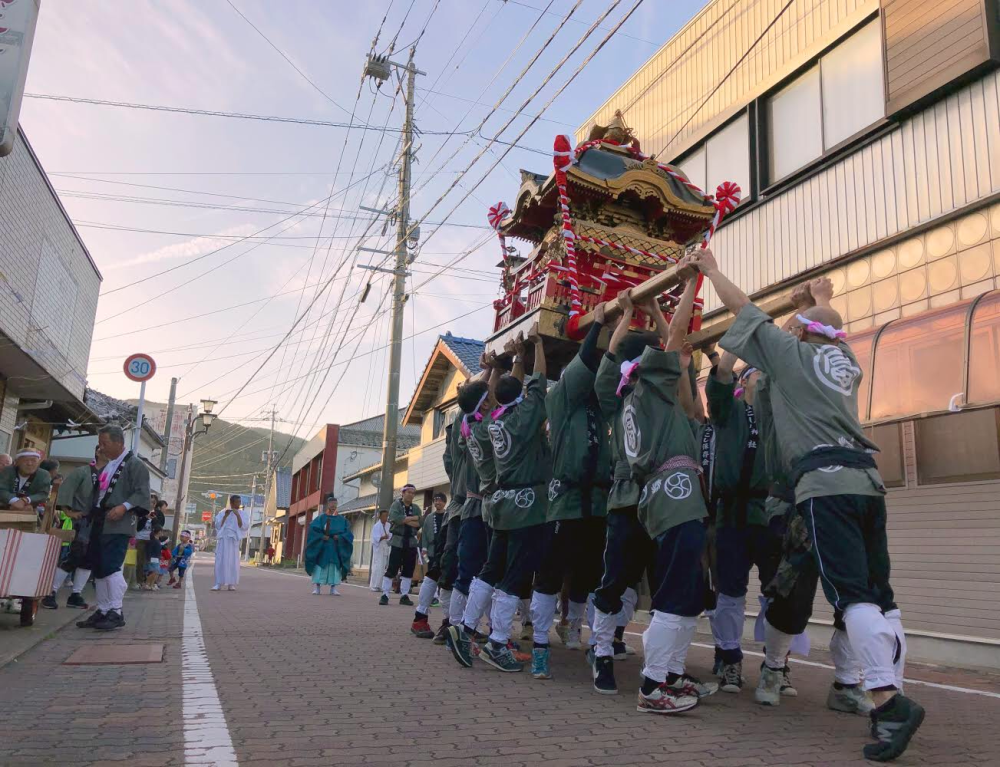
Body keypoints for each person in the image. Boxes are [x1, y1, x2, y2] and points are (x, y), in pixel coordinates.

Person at [691, 247, 921, 762]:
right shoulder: (847, 361)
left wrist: (712, 273)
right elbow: (827, 326)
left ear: (797, 335)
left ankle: (887, 701)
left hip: (824, 487)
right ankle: (887, 697)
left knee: (851, 597)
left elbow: (744, 308)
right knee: (880, 596)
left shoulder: (791, 360)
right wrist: (818, 300)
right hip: (867, 483)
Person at [616, 272, 716, 714]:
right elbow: (676, 335)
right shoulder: (650, 388)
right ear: (649, 363)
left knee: (685, 593)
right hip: (675, 497)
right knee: (675, 595)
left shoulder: (636, 398)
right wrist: (693, 277)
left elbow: (688, 397)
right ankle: (653, 687)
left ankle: (670, 675)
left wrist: (653, 310)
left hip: (665, 496)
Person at [448, 324, 549, 673]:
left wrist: (511, 360)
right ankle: (496, 640)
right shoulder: (509, 419)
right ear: (486, 403)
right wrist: (531, 349)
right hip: (522, 504)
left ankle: (465, 628)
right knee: (514, 574)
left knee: (490, 569)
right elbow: (522, 393)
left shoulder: (478, 426)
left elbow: (499, 397)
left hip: (496, 503)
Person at [529, 305, 612, 680]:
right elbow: (584, 364)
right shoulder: (559, 400)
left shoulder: (600, 407)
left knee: (591, 573)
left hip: (596, 501)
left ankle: (585, 635)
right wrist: (596, 324)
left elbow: (612, 369)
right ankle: (541, 645)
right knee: (551, 573)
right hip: (565, 501)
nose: (590, 379)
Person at [701, 346, 778, 695]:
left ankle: (777, 665)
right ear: (744, 383)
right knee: (730, 591)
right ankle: (730, 660)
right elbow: (716, 384)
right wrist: (733, 347)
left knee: (777, 592)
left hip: (769, 511)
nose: (764, 382)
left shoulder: (777, 416)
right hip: (731, 513)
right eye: (758, 375)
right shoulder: (728, 412)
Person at [75, 426, 151, 631]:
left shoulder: (135, 464)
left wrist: (124, 506)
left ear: (119, 442)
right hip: (101, 519)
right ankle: (103, 609)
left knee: (111, 565)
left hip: (119, 521)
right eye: (100, 443)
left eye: (105, 443)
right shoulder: (110, 465)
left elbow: (142, 493)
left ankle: (116, 611)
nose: (102, 447)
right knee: (98, 567)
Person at [43, 448, 105, 610]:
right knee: (74, 555)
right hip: (81, 520)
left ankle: (76, 594)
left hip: (99, 522)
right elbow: (65, 492)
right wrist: (68, 512)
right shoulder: (82, 472)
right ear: (97, 452)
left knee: (89, 559)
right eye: (102, 448)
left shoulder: (113, 474)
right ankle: (50, 591)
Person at [412, 492, 448, 637]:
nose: (437, 503)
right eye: (435, 501)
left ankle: (452, 622)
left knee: (444, 580)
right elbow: (424, 536)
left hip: (447, 550)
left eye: (440, 500)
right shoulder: (429, 518)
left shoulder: (449, 514)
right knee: (434, 576)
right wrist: (424, 553)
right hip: (435, 551)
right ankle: (451, 624)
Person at [379, 484, 421, 606]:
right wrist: (412, 519)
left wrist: (406, 520)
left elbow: (419, 522)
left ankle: (404, 595)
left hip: (411, 541)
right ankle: (385, 594)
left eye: (413, 493)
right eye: (408, 492)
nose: (410, 495)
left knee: (408, 569)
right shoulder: (396, 505)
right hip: (398, 540)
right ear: (403, 493)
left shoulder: (416, 507)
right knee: (392, 567)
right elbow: (395, 519)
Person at [305, 494, 353, 595]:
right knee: (319, 566)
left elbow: (348, 533)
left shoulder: (342, 519)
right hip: (322, 546)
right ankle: (317, 587)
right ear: (327, 504)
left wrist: (339, 537)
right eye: (331, 503)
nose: (333, 506)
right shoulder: (321, 518)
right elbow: (313, 530)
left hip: (336, 546)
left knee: (334, 567)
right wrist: (321, 536)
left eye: (335, 504)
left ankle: (333, 588)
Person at [213, 495, 246, 591]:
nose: (239, 504)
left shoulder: (242, 513)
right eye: (237, 502)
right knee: (220, 561)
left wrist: (237, 515)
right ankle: (218, 583)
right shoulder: (222, 512)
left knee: (233, 561)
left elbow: (243, 526)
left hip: (233, 540)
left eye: (239, 502)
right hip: (223, 539)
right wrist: (225, 516)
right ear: (231, 503)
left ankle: (231, 583)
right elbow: (218, 526)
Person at [369, 509, 391, 591]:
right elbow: (375, 538)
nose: (386, 518)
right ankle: (375, 585)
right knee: (378, 566)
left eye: (387, 516)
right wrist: (383, 537)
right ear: (380, 516)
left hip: (386, 547)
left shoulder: (388, 525)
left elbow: (391, 536)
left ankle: (381, 585)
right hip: (379, 548)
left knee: (384, 567)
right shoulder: (376, 526)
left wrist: (388, 538)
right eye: (384, 516)